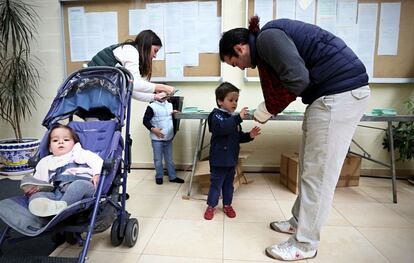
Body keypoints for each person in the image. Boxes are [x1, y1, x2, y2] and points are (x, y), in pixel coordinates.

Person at [219, 17, 370, 261]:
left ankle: (305, 243)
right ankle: (298, 222)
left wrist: (268, 108)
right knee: (310, 169)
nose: (241, 68)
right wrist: (269, 106)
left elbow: (298, 79)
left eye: (234, 63)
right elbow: (297, 77)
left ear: (239, 48)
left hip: (339, 93)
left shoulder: (267, 38)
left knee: (318, 176)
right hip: (326, 95)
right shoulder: (267, 40)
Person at [204, 82, 261, 220]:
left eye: (236, 100)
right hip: (219, 160)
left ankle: (227, 205)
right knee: (216, 186)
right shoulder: (216, 116)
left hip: (231, 160)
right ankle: (211, 206)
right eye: (231, 100)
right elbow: (222, 128)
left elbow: (237, 137)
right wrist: (238, 118)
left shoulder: (233, 118)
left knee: (229, 186)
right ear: (220, 101)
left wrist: (249, 136)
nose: (234, 103)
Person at [24, 124, 103, 217]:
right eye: (55, 140)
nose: (61, 142)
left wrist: (97, 174)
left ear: (75, 144)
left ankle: (60, 211)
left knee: (77, 186)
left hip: (84, 185)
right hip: (57, 192)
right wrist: (35, 188)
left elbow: (97, 160)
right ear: (50, 147)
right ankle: (52, 208)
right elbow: (40, 179)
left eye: (66, 140)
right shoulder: (46, 161)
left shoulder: (79, 153)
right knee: (36, 197)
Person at [88, 29, 174, 102]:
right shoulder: (130, 51)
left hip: (93, 93)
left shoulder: (130, 51)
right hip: (92, 93)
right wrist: (162, 87)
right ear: (147, 45)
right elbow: (135, 84)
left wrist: (155, 97)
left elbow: (132, 89)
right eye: (155, 50)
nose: (155, 56)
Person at [143, 93, 184, 185]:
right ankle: (159, 176)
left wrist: (174, 114)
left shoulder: (169, 105)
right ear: (156, 95)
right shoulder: (152, 106)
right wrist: (154, 129)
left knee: (169, 158)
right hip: (156, 138)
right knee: (158, 159)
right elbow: (145, 121)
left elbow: (168, 118)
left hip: (168, 137)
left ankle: (172, 177)